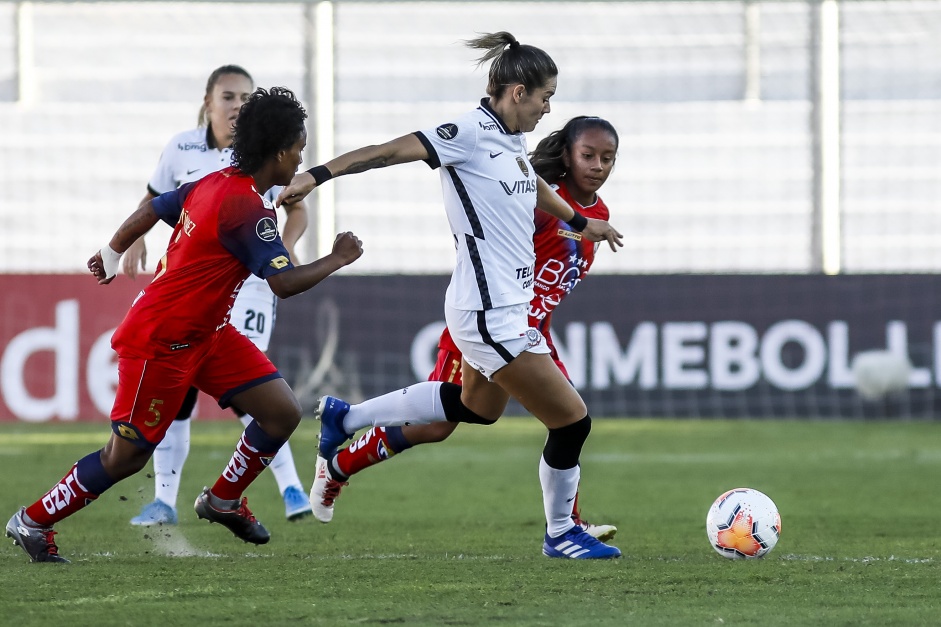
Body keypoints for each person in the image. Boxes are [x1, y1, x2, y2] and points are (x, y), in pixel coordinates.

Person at [278, 32, 624, 559]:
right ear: (516, 91)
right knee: (573, 420)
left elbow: (531, 182)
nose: (547, 108)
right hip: (488, 312)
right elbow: (387, 151)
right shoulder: (466, 131)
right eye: (544, 97)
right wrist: (317, 175)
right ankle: (561, 534)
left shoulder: (508, 140)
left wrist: (581, 221)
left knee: (476, 410)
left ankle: (343, 419)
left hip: (495, 308)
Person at [5, 87, 363, 563]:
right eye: (299, 149)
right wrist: (338, 258)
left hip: (208, 335)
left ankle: (222, 499)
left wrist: (112, 251)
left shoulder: (214, 182)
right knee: (125, 458)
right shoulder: (247, 208)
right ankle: (31, 521)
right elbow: (283, 283)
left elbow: (154, 208)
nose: (301, 158)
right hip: (162, 342)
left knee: (280, 411)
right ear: (279, 152)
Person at [123, 65, 314, 525]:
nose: (236, 105)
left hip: (251, 286)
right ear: (208, 101)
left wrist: (281, 251)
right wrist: (131, 240)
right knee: (184, 395)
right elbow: (153, 200)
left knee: (256, 392)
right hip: (196, 289)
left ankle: (289, 487)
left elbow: (297, 210)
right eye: (228, 96)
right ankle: (165, 500)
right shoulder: (183, 149)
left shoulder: (266, 156)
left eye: (245, 98)